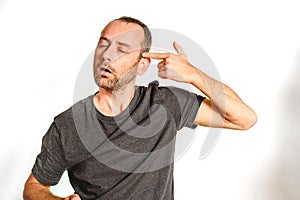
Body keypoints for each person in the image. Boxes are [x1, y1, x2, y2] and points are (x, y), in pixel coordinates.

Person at [23, 16, 257, 200]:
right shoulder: (68, 125)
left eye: (121, 49)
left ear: (142, 65)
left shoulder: (165, 103)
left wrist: (193, 75)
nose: (107, 56)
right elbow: (33, 187)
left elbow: (244, 119)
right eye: (103, 45)